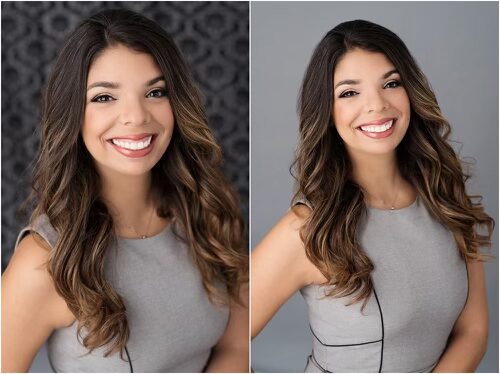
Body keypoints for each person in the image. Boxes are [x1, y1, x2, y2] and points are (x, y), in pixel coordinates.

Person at [2, 8, 248, 373]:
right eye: (104, 97)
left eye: (155, 92)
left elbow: (236, 347)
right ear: (72, 112)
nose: (136, 116)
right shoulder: (44, 262)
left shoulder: (206, 210)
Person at [251, 19, 493, 372]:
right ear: (327, 112)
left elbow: (473, 330)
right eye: (349, 93)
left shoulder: (446, 198)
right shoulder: (306, 229)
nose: (377, 105)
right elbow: (226, 340)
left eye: (391, 83)